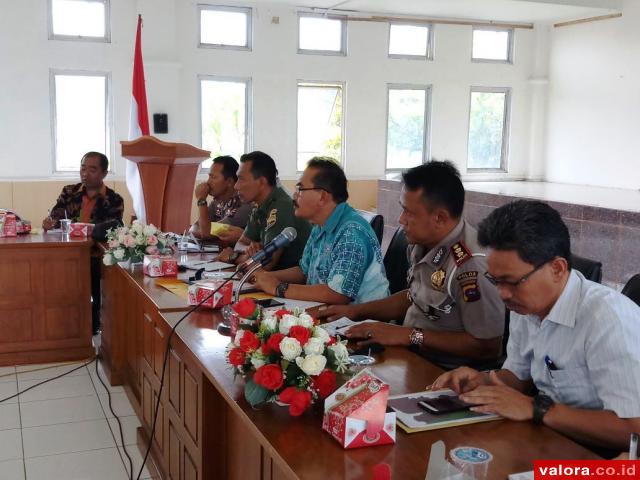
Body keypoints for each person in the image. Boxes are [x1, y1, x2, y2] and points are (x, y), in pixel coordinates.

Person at [430, 200, 640, 451]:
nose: (502, 294)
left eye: (512, 282)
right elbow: (517, 377)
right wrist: (483, 381)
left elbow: (632, 430)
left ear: (557, 269)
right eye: (496, 281)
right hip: (554, 440)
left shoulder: (606, 319)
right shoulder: (525, 305)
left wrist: (536, 409)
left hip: (610, 462)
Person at [315, 161, 504, 369]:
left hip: (447, 371)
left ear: (439, 218)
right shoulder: (422, 242)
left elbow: (487, 345)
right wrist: (355, 312)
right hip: (411, 354)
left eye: (409, 212)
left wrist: (410, 336)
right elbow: (413, 296)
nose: (401, 219)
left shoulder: (470, 265)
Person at [252, 157, 389, 304]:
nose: (295, 195)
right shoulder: (319, 224)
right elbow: (304, 271)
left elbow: (337, 294)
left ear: (322, 196)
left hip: (362, 322)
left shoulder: (352, 232)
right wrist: (264, 276)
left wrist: (279, 288)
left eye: (300, 189)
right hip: (326, 313)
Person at [42, 152, 124, 335]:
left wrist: (85, 229)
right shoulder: (69, 192)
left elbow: (114, 227)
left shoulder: (114, 199)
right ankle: (68, 331)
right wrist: (48, 222)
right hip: (68, 256)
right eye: (83, 168)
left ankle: (93, 329)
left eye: (92, 169)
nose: (85, 173)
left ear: (104, 173)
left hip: (95, 256)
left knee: (96, 297)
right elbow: (55, 215)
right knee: (67, 296)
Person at [218, 151, 311, 271]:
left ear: (261, 182)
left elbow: (266, 263)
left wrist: (233, 257)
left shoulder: (281, 206)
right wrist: (249, 251)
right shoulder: (259, 205)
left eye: (241, 179)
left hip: (292, 283)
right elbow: (241, 243)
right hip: (270, 279)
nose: (236, 186)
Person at [191, 155, 253, 245]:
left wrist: (201, 200)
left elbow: (206, 233)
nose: (208, 182)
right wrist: (203, 231)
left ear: (229, 182)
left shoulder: (244, 204)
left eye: (213, 177)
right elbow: (194, 228)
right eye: (209, 177)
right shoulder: (217, 201)